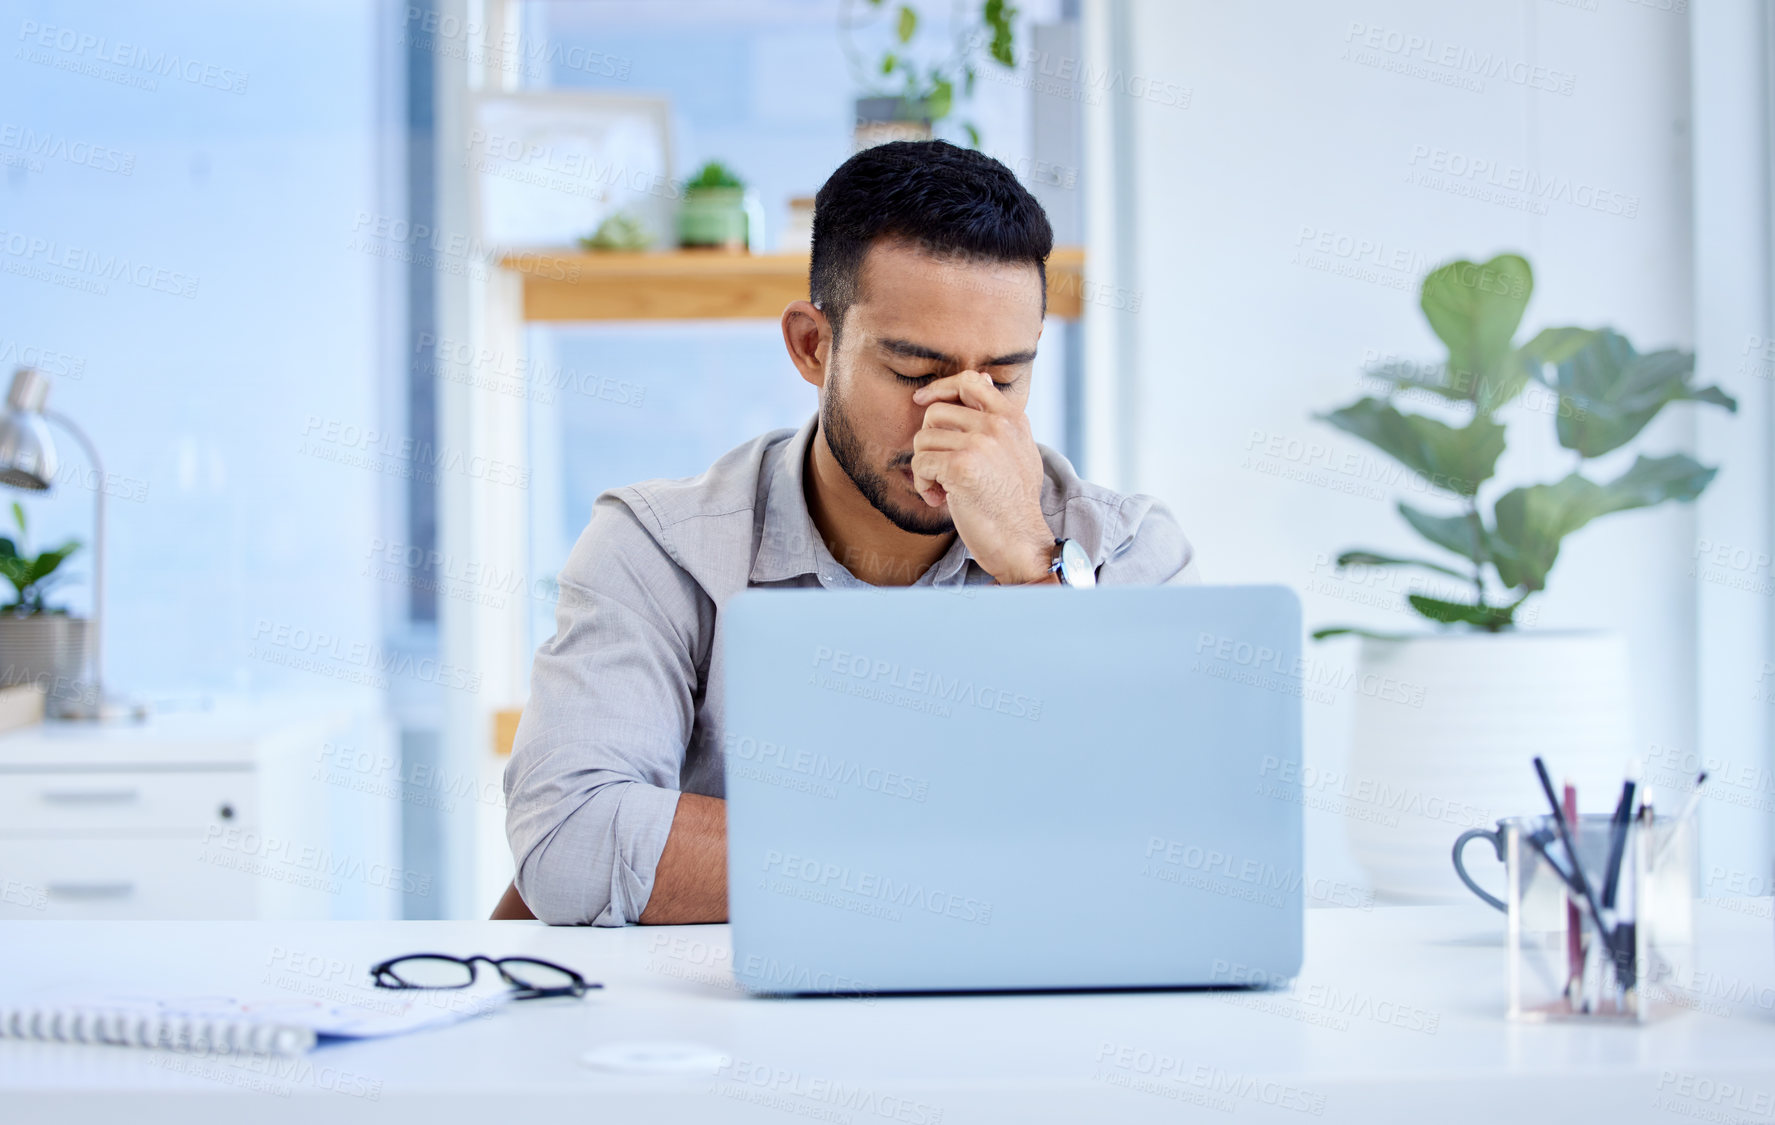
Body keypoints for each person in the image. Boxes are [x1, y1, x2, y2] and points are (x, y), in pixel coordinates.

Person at [504, 139, 1197, 926]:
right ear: (811, 345)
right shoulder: (660, 548)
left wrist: (1032, 565)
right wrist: (973, 849)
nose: (955, 420)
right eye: (912, 374)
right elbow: (569, 840)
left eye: (1003, 378)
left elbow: (1169, 846)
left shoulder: (1127, 549)